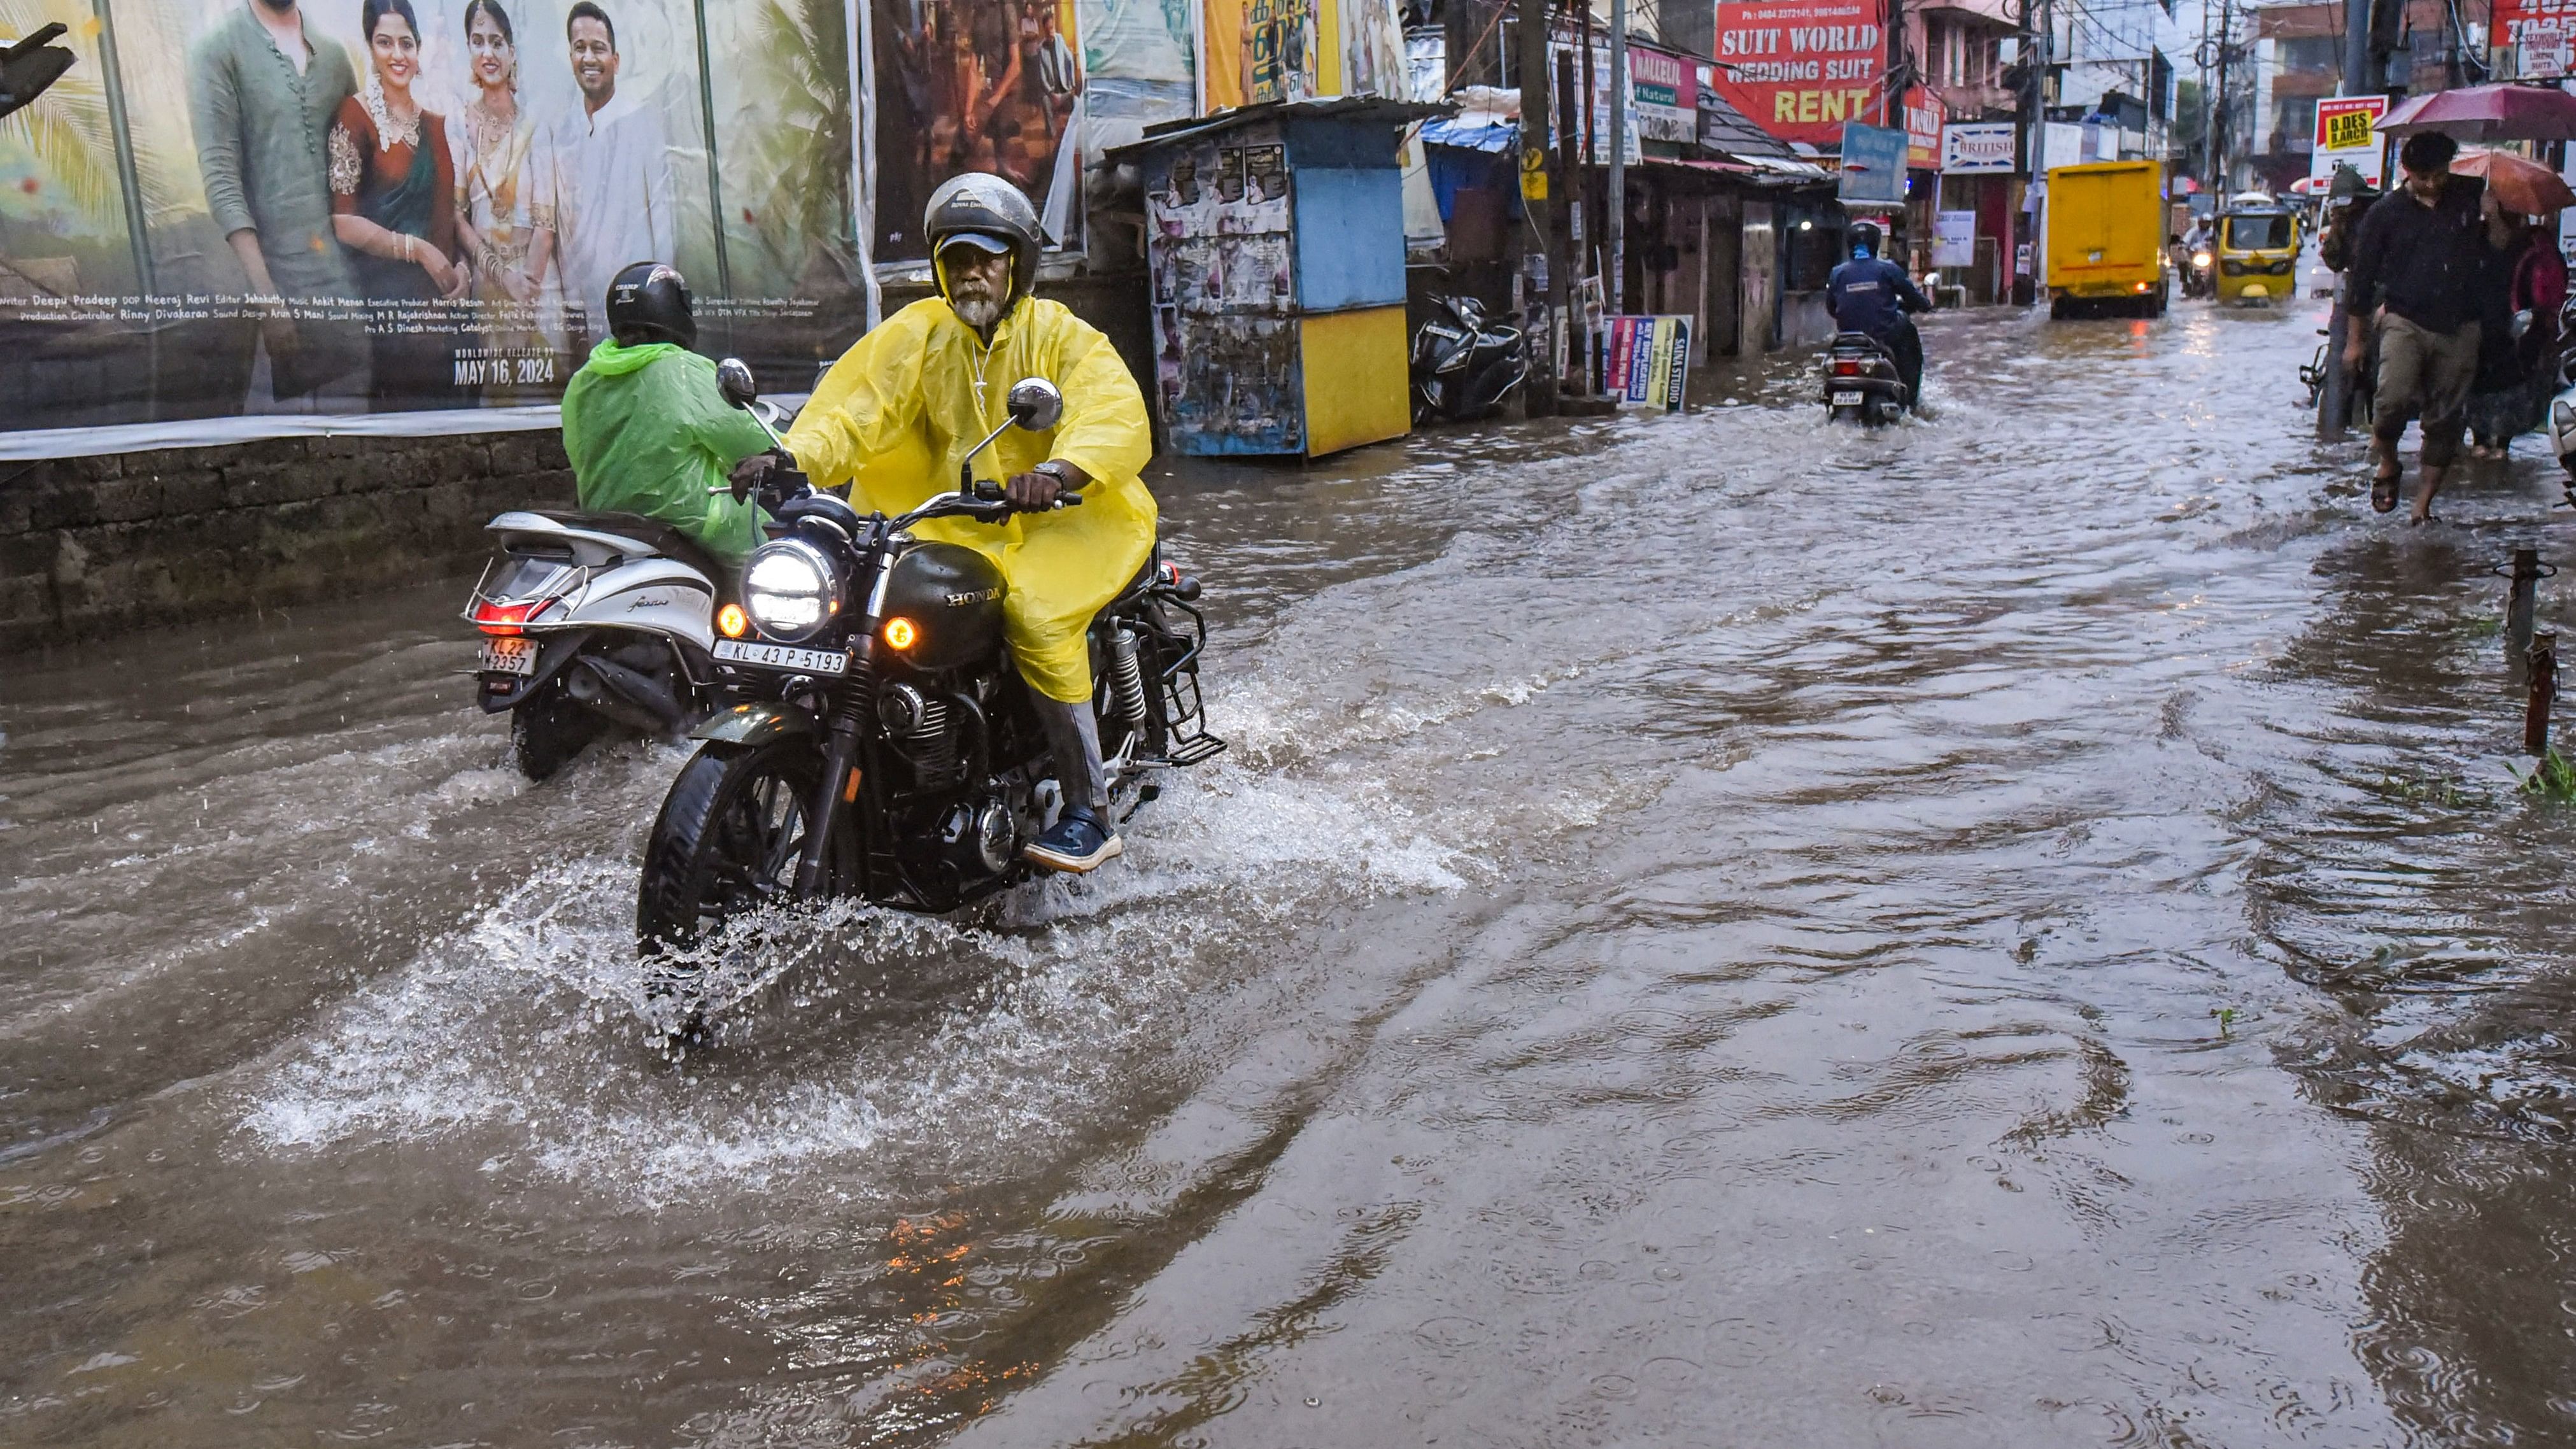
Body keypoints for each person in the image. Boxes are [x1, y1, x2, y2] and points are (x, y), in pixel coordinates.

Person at [758, 173, 1156, 874]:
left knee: (1033, 613)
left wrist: (1059, 473)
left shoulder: (1061, 335)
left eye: (989, 256)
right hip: (948, 522)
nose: (972, 270)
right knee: (854, 609)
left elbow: (1112, 412)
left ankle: (1089, 807)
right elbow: (852, 409)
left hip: (1069, 519)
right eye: (957, 258)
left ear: (1017, 263)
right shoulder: (917, 334)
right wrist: (789, 458)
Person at [187, 0, 365, 406]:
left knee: (363, 447)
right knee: (288, 454)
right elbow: (221, 179)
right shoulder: (218, 50)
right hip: (279, 305)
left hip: (350, 296)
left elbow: (359, 168)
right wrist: (268, 301)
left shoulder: (334, 57)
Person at [2344, 129, 2512, 523]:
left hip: (2462, 323)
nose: (2434, 184)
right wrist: (2355, 342)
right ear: (2408, 172)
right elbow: (2361, 280)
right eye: (2425, 178)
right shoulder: (2385, 214)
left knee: (2445, 419)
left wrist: (2494, 218)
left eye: (2440, 175)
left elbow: (2502, 246)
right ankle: (2388, 463)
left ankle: (2422, 506)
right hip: (2406, 319)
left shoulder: (2473, 197)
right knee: (2390, 402)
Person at [558, 262, 771, 569]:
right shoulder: (682, 370)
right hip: (695, 527)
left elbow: (579, 454)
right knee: (777, 558)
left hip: (609, 526)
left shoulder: (583, 380)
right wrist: (798, 451)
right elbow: (750, 441)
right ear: (674, 308)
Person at [330, 0, 474, 411]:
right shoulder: (354, 117)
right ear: (370, 48)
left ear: (419, 49)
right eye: (385, 42)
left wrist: (463, 267)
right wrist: (419, 250)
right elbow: (343, 220)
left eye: (406, 43)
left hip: (448, 310)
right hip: (391, 312)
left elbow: (451, 215)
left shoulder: (437, 125)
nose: (397, 55)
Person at [451, 0, 562, 399]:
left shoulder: (535, 126)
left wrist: (525, 295)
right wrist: (503, 278)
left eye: (497, 42)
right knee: (499, 398)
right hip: (490, 286)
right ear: (469, 50)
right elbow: (457, 217)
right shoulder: (459, 125)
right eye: (478, 42)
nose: (488, 53)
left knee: (551, 399)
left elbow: (546, 223)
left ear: (512, 53)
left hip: (538, 286)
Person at [552, 1, 676, 345]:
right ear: (571, 58)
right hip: (589, 306)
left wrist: (660, 296)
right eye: (580, 48)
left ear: (615, 61)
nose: (589, 58)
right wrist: (574, 304)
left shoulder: (643, 122)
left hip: (641, 306)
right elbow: (564, 225)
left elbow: (663, 218)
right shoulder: (564, 132)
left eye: (598, 48)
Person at [2466, 206, 2569, 456]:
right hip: (2521, 327)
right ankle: (2500, 444)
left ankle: (2482, 441)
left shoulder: (2482, 239)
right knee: (2511, 383)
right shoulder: (2535, 242)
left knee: (2485, 382)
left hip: (2497, 325)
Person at [1825, 218, 1933, 409]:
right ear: (1875, 245)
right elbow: (1913, 296)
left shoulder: (1837, 273)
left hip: (1847, 341)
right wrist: (1926, 305)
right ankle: (1910, 401)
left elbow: (1832, 309)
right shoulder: (1888, 268)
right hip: (1883, 337)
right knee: (1907, 330)